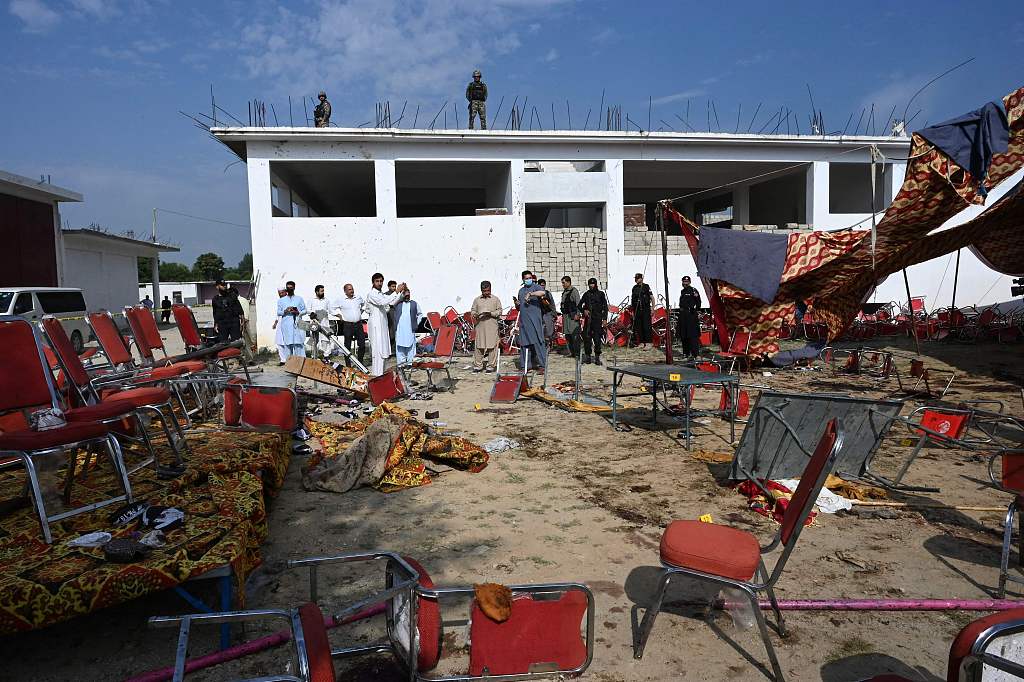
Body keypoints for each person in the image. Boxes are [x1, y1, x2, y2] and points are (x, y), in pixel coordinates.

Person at [366, 273, 405, 376]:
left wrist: (400, 293)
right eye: (377, 281)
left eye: (381, 281)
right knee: (377, 353)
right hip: (375, 327)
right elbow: (383, 302)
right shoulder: (372, 294)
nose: (379, 283)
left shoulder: (381, 294)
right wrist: (396, 291)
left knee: (384, 352)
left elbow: (390, 304)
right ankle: (376, 377)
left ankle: (382, 376)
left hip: (383, 327)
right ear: (373, 282)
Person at [516, 270, 547, 372]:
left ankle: (542, 365)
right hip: (524, 321)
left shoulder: (535, 287)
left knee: (538, 341)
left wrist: (531, 294)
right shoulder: (521, 291)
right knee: (525, 344)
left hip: (535, 320)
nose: (528, 280)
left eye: (530, 278)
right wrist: (517, 303)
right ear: (523, 279)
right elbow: (520, 306)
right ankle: (525, 366)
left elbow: (543, 292)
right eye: (526, 278)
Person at [470, 280, 502, 372]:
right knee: (479, 346)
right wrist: (475, 314)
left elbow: (499, 311)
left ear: (490, 289)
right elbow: (473, 310)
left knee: (492, 346)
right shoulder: (477, 300)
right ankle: (478, 365)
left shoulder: (495, 299)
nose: (486, 292)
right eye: (484, 291)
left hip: (492, 325)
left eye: (488, 291)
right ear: (481, 290)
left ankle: (491, 366)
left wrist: (491, 314)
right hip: (480, 326)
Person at [334, 283, 367, 366]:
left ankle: (360, 363)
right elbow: (331, 308)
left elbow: (364, 304)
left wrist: (360, 312)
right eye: (349, 289)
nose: (352, 291)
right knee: (347, 346)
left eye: (352, 289)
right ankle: (348, 365)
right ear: (345, 291)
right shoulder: (340, 300)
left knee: (362, 344)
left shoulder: (358, 298)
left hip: (358, 324)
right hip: (348, 325)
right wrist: (339, 315)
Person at [389, 286, 422, 368]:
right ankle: (401, 363)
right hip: (400, 329)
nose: (407, 296)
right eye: (405, 295)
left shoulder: (414, 303)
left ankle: (410, 363)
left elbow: (420, 314)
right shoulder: (397, 304)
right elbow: (391, 303)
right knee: (400, 346)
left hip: (410, 329)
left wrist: (416, 323)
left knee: (411, 346)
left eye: (408, 295)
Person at [580, 278, 609, 365]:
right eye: (590, 284)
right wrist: (584, 311)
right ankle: (588, 356)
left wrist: (604, 319)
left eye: (592, 284)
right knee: (587, 338)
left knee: (597, 339)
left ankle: (597, 357)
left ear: (595, 284)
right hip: (588, 320)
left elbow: (605, 308)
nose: (591, 286)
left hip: (597, 319)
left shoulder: (601, 294)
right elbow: (579, 305)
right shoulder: (586, 294)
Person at [276, 280, 307, 363]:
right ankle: (290, 364)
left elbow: (304, 310)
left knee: (299, 344)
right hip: (286, 325)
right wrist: (285, 311)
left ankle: (301, 363)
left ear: (294, 288)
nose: (289, 289)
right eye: (288, 287)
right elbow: (278, 312)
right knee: (288, 344)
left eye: (291, 288)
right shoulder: (281, 301)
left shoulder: (299, 299)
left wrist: (298, 312)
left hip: (297, 323)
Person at [677, 275, 702, 359]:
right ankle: (686, 353)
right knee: (684, 334)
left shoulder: (693, 290)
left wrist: (696, 310)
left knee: (692, 334)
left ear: (689, 282)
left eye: (687, 282)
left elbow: (698, 302)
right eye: (684, 282)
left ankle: (695, 354)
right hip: (683, 314)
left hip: (691, 314)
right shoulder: (682, 291)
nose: (685, 283)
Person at [560, 276, 582, 360]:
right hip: (566, 316)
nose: (563, 284)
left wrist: (578, 314)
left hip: (573, 316)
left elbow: (578, 304)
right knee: (568, 335)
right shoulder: (565, 292)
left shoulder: (574, 291)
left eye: (564, 282)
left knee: (574, 335)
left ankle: (577, 353)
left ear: (569, 282)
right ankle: (572, 352)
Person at [630, 273, 654, 349]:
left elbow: (652, 297)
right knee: (639, 327)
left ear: (641, 278)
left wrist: (653, 308)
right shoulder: (634, 288)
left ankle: (648, 343)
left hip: (645, 309)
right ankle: (641, 342)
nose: (636, 280)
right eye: (635, 278)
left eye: (637, 278)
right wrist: (633, 311)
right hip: (637, 310)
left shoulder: (646, 286)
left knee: (646, 326)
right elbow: (632, 300)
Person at [308, 284, 331, 358]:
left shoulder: (326, 300)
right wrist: (312, 313)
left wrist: (338, 315)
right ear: (316, 292)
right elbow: (307, 310)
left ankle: (326, 356)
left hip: (324, 323)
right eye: (321, 291)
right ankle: (314, 356)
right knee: (314, 340)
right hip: (315, 322)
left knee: (325, 339)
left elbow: (330, 310)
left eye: (323, 291)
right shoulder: (311, 300)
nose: (323, 292)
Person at [536, 278, 557, 346]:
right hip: (539, 314)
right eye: (541, 285)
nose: (543, 287)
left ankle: (549, 344)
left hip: (547, 314)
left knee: (549, 331)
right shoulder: (535, 294)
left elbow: (552, 304)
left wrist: (554, 314)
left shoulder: (547, 293)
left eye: (544, 285)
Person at [272, 287, 288, 364]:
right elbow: (278, 314)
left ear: (286, 292)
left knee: (287, 342)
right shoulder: (279, 301)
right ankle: (283, 360)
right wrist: (275, 323)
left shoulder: (289, 300)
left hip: (287, 324)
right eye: (279, 293)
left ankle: (289, 359)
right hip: (280, 324)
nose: (280, 295)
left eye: (282, 293)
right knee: (279, 341)